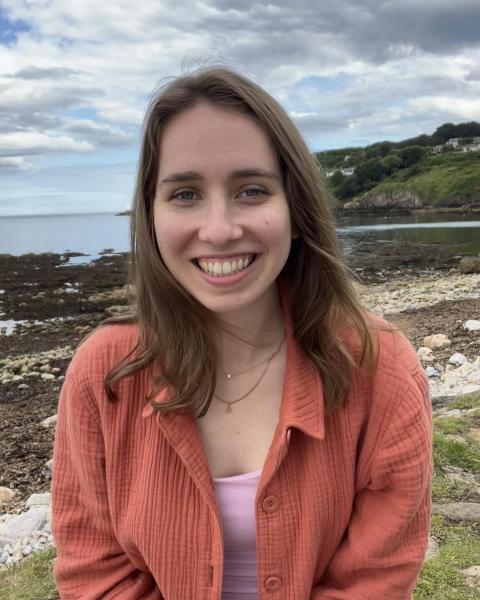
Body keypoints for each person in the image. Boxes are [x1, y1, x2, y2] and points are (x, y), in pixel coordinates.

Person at [52, 67, 432, 599]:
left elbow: (375, 580)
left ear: (296, 210)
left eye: (251, 190)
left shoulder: (380, 367)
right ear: (151, 216)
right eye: (185, 194)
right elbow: (95, 572)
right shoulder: (103, 372)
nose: (220, 229)